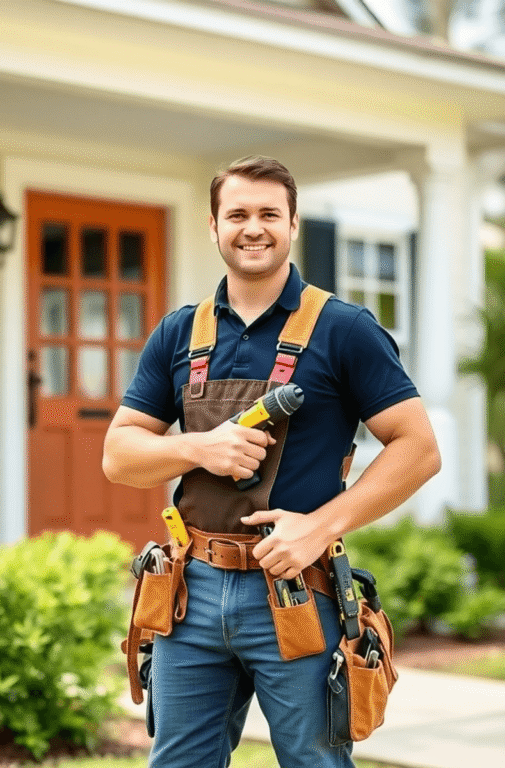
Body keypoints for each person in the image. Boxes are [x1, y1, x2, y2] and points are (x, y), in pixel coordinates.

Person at [102, 155, 441, 768]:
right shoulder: (180, 332)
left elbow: (419, 448)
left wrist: (320, 526)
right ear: (213, 226)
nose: (252, 228)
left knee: (314, 761)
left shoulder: (344, 328)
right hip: (189, 591)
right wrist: (197, 447)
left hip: (295, 592)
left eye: (267, 214)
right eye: (237, 214)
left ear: (291, 224)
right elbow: (119, 454)